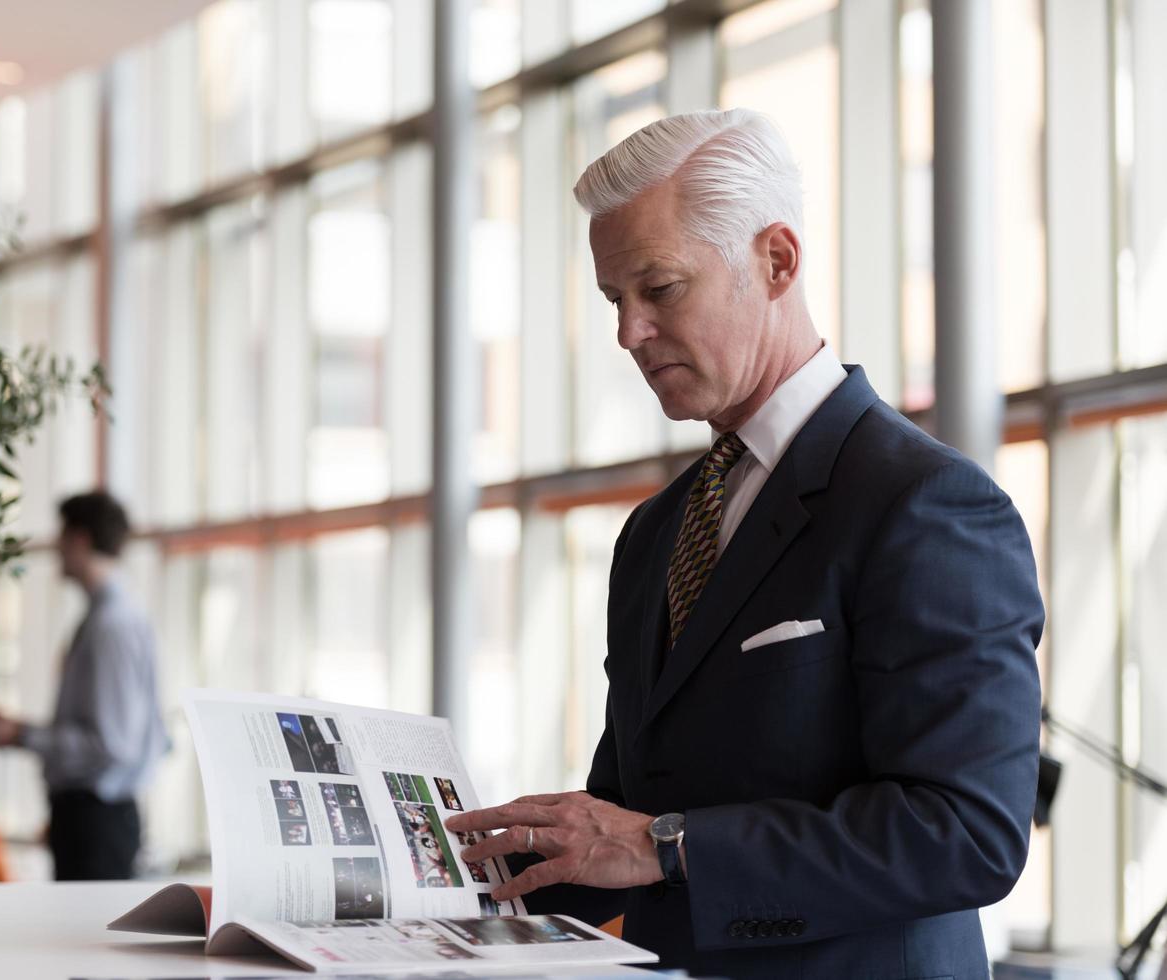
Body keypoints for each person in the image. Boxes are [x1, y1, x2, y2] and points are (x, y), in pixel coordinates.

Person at [446, 109, 1044, 980]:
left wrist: (666, 845)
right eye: (615, 300)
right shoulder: (657, 531)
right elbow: (627, 827)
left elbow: (966, 834)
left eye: (659, 289)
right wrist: (427, 883)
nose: (628, 334)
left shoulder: (924, 503)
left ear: (776, 261)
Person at [0, 491, 169, 880]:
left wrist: (21, 734)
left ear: (79, 540)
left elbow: (112, 745)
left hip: (97, 821)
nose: (56, 548)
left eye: (61, 536)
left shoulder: (113, 626)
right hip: (90, 817)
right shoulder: (110, 618)